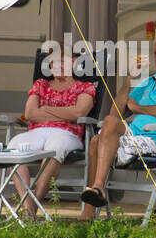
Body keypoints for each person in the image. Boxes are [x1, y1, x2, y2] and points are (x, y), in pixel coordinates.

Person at [79, 33, 156, 219]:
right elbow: (116, 114)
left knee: (96, 141)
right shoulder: (149, 81)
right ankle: (96, 193)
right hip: (134, 135)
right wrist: (129, 79)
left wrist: (137, 107)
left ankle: (91, 204)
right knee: (105, 128)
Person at [6, 52, 96, 218]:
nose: (58, 66)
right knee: (14, 149)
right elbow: (30, 113)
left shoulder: (86, 87)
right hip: (36, 132)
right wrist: (64, 113)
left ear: (74, 62)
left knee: (53, 151)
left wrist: (45, 110)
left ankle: (31, 208)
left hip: (67, 133)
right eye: (54, 62)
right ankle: (28, 209)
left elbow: (79, 112)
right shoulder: (41, 84)